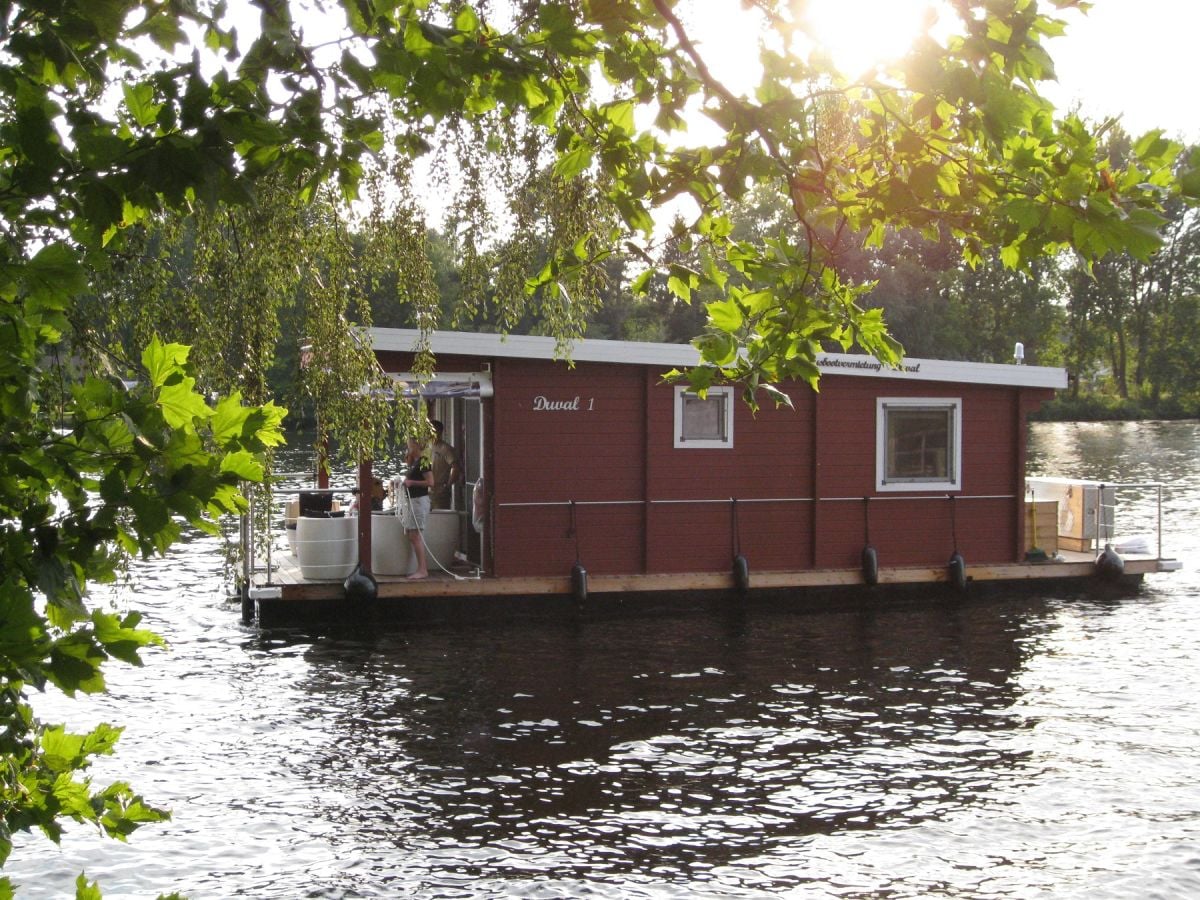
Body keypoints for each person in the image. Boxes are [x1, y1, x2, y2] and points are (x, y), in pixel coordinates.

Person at [400, 437, 434, 579]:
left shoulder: (423, 462)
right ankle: (418, 568)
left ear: (415, 445)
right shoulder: (414, 463)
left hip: (419, 501)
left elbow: (431, 482)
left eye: (409, 444)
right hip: (412, 501)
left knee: (415, 535)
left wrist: (411, 482)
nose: (408, 447)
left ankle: (422, 569)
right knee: (411, 534)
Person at [429, 419, 461, 511]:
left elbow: (456, 468)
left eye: (433, 430)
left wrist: (447, 485)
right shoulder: (428, 447)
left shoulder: (446, 449)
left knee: (439, 519)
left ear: (440, 432)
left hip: (440, 493)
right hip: (427, 492)